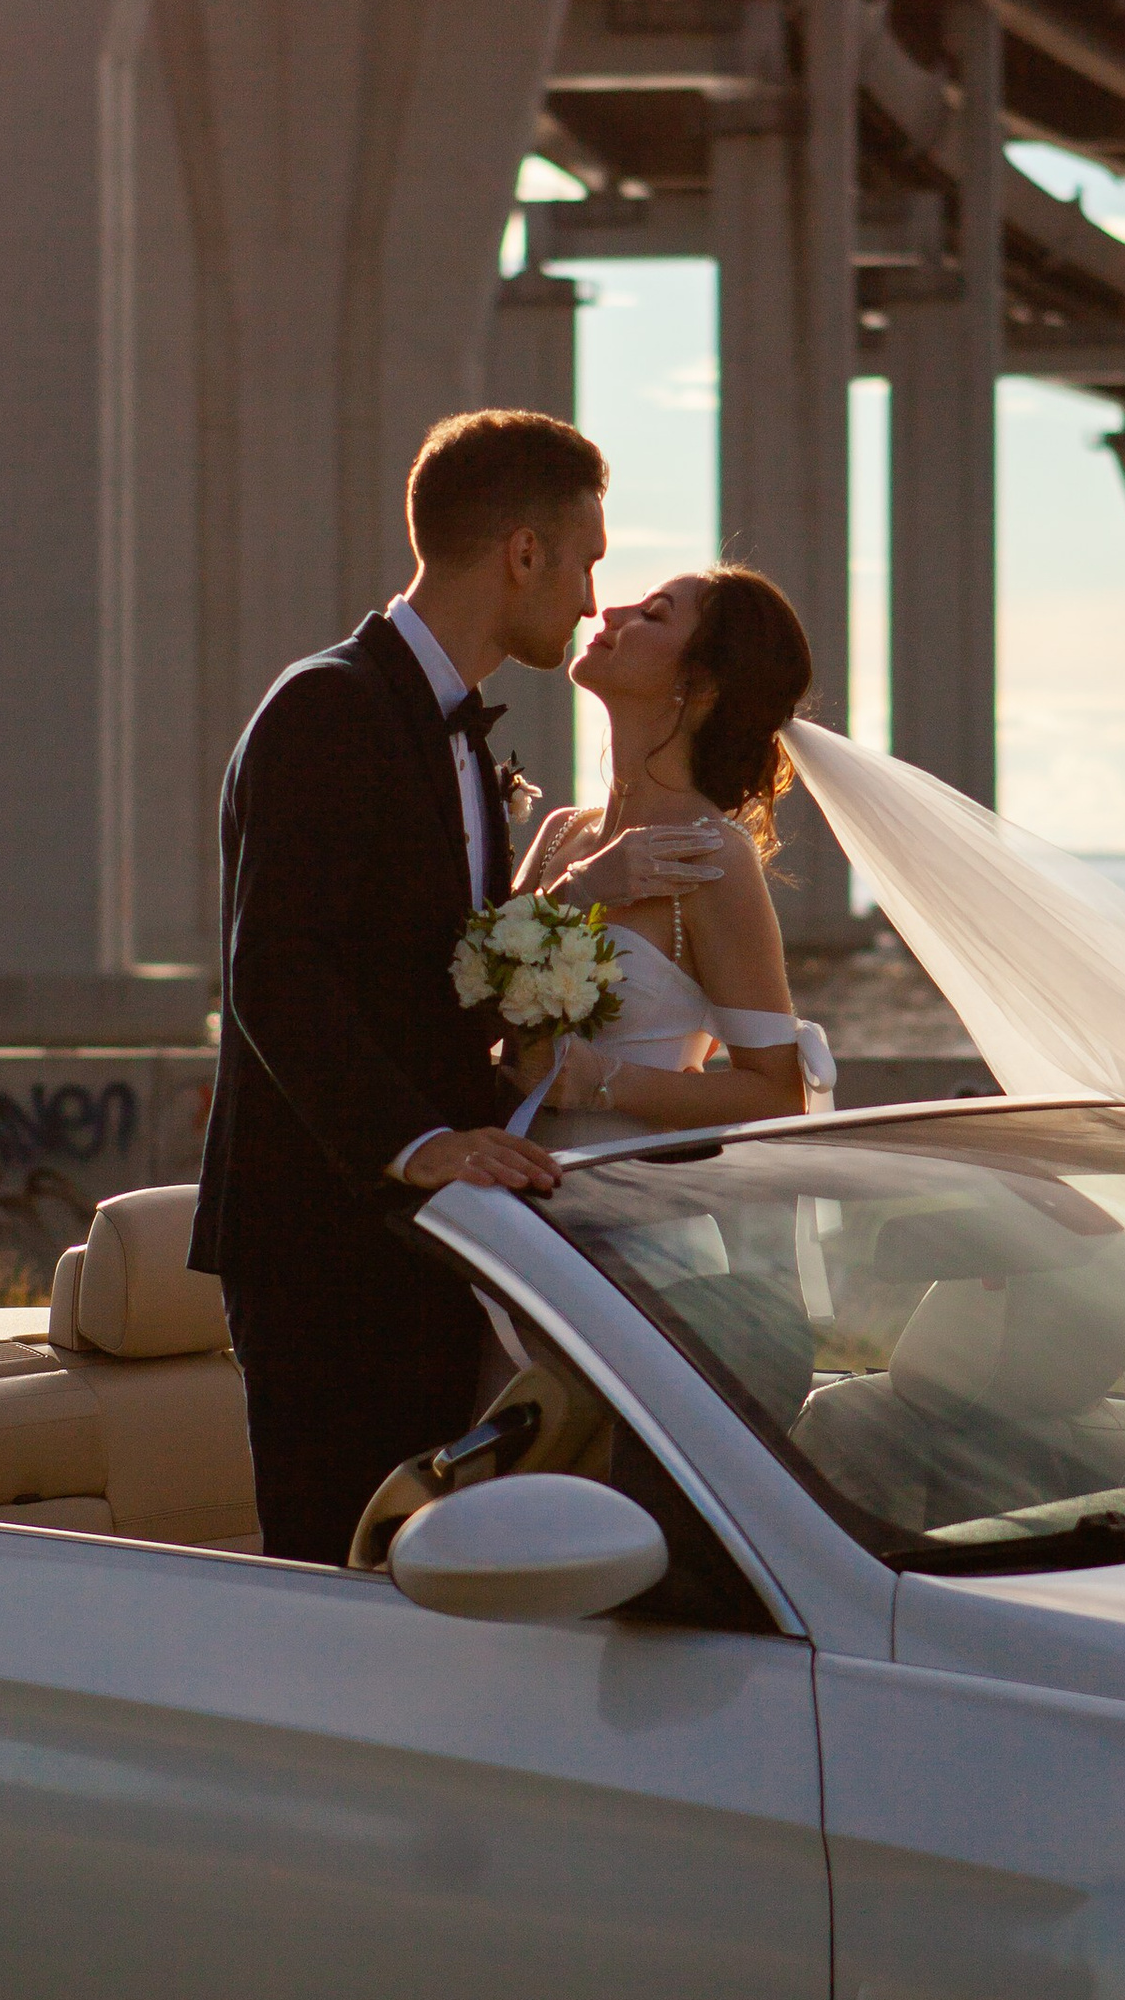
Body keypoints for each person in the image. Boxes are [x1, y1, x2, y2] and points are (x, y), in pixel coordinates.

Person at [189, 410, 724, 1567]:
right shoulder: (326, 706)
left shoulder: (462, 741)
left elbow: (425, 975)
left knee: (443, 1584)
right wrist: (417, 1140)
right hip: (327, 1250)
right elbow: (274, 971)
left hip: (431, 1244)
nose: (593, 601)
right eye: (585, 561)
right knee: (341, 1576)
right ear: (522, 554)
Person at [513, 565, 835, 1144]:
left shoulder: (711, 859)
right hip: (501, 1207)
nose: (610, 614)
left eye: (652, 614)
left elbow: (776, 1094)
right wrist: (573, 892)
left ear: (703, 684)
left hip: (632, 1215)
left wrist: (601, 1079)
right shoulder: (561, 833)